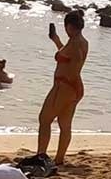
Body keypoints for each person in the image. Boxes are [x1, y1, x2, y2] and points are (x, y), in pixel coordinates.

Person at [38, 10, 88, 167]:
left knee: (44, 119)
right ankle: (59, 159)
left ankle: (41, 156)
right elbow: (67, 57)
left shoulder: (75, 43)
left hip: (64, 85)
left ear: (69, 26)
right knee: (64, 124)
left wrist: (68, 78)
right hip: (74, 87)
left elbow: (75, 60)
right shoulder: (80, 40)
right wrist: (56, 40)